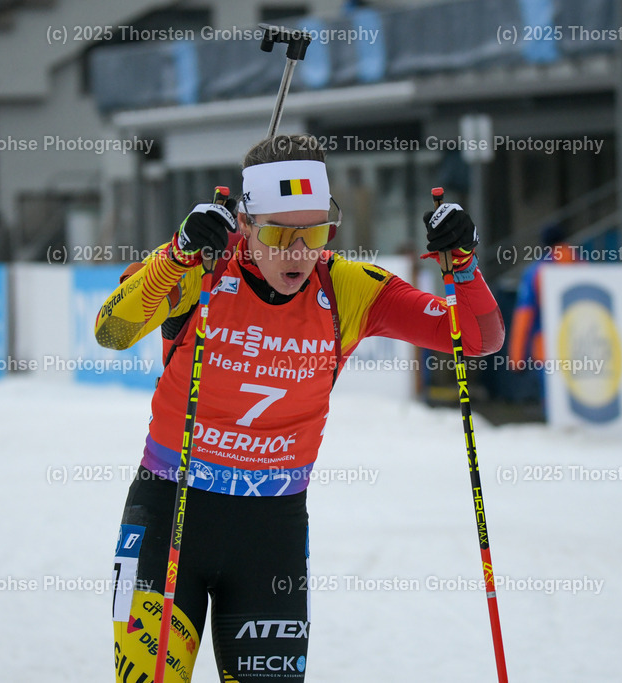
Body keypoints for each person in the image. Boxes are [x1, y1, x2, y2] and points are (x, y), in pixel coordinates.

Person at [95, 134, 504, 682]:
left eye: (313, 232)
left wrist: (463, 265)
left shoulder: (347, 288)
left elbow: (476, 337)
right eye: (278, 234)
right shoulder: (201, 267)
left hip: (270, 538)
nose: (297, 252)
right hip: (170, 514)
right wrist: (177, 256)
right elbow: (112, 331)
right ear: (243, 224)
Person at [507, 223, 576, 379]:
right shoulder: (582, 266)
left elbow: (524, 316)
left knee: (551, 401)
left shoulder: (536, 272)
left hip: (547, 351)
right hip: (579, 349)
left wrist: (517, 358)